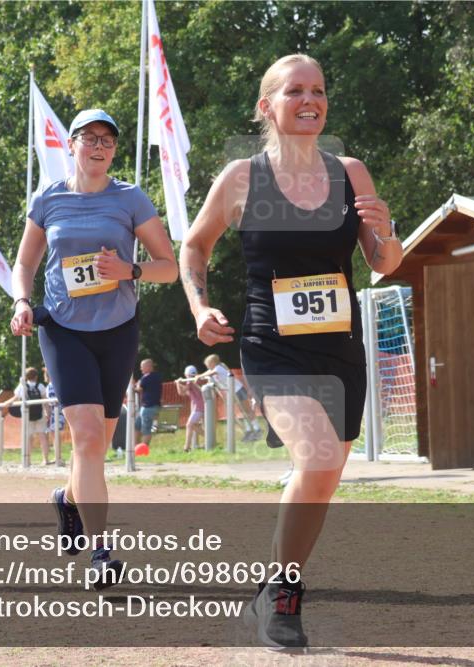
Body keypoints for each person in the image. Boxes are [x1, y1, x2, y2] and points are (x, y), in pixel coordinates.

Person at [180, 54, 401, 648]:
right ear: (266, 106)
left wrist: (387, 230)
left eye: (320, 91)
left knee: (321, 477)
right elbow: (194, 247)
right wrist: (200, 307)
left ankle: (268, 588)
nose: (311, 100)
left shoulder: (350, 172)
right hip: (270, 345)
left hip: (340, 346)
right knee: (319, 455)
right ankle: (286, 596)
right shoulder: (241, 178)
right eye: (296, 91)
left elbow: (383, 263)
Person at [9, 109, 177, 586]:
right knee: (85, 438)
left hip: (118, 327)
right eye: (90, 138)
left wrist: (131, 270)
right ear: (72, 144)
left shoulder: (130, 198)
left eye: (108, 139)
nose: (99, 146)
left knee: (96, 447)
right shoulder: (49, 198)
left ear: (114, 151)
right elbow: (24, 262)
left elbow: (169, 266)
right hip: (63, 328)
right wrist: (22, 300)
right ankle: (101, 554)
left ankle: (66, 498)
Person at [198, 354, 261, 442]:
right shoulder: (213, 370)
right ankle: (249, 430)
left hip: (239, 390)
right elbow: (209, 374)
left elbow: (210, 373)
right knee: (243, 412)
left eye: (208, 364)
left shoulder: (219, 368)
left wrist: (198, 376)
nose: (207, 367)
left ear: (213, 363)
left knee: (247, 410)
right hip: (233, 392)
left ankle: (256, 429)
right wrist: (198, 377)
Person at [2, 367, 49, 464]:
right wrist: (48, 413)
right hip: (39, 414)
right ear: (36, 376)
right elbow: (45, 401)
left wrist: (4, 404)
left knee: (28, 437)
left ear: (26, 377)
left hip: (26, 415)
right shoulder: (40, 386)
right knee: (42, 437)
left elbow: (15, 398)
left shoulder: (22, 386)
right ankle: (45, 459)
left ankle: (27, 460)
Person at [174, 365, 205, 452]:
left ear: (186, 374)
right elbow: (183, 392)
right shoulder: (195, 381)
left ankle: (187, 447)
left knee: (189, 425)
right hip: (201, 406)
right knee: (192, 425)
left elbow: (182, 391)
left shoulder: (190, 381)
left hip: (199, 407)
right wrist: (179, 384)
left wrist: (177, 383)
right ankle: (188, 446)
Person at [133, 358, 162, 452]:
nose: (141, 369)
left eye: (142, 367)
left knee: (146, 429)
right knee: (137, 426)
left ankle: (142, 450)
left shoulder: (148, 377)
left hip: (149, 407)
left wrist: (133, 385)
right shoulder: (155, 376)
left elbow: (138, 389)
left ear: (149, 366)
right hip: (147, 406)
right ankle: (136, 448)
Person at [43, 366, 64, 460]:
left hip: (56, 413)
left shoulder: (52, 385)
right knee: (55, 436)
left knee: (56, 436)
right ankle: (57, 456)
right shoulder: (52, 385)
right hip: (56, 413)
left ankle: (58, 457)